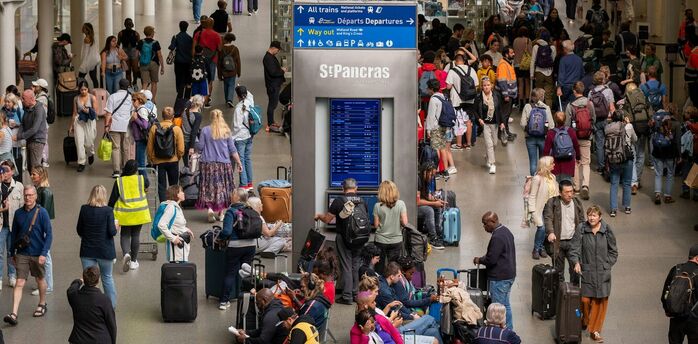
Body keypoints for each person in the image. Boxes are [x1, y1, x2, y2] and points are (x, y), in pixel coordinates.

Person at [3, 185, 52, 325]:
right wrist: (12, 253)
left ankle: (42, 304)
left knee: (40, 279)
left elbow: (49, 234)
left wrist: (44, 253)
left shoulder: (42, 213)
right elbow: (14, 235)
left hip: (38, 253)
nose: (28, 198)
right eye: (26, 195)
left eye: (30, 195)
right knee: (19, 282)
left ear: (35, 196)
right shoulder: (18, 213)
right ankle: (14, 314)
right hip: (22, 254)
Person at [570, 205, 618, 343]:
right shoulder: (582, 229)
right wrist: (576, 262)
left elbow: (614, 251)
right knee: (585, 300)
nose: (591, 218)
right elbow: (574, 249)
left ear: (600, 217)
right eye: (589, 215)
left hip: (603, 274)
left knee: (599, 303)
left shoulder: (607, 230)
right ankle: (584, 320)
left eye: (594, 215)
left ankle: (595, 331)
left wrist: (606, 265)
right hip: (587, 272)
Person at [315, 178, 366, 304]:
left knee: (346, 266)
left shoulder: (339, 201)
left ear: (343, 189)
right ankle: (355, 294)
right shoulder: (362, 201)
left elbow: (327, 219)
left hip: (344, 238)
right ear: (356, 188)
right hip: (360, 237)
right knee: (355, 266)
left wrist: (318, 216)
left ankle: (347, 296)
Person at [195, 109, 243, 222]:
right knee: (224, 188)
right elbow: (232, 150)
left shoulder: (205, 130)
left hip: (207, 164)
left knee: (209, 187)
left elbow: (200, 147)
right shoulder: (226, 131)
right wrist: (239, 163)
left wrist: (196, 143)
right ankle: (221, 213)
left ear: (211, 118)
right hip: (224, 164)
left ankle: (210, 209)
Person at [377, 263, 442, 343]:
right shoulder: (385, 291)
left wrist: (411, 314)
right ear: (392, 276)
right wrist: (412, 317)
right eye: (399, 276)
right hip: (398, 331)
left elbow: (399, 305)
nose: (400, 278)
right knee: (429, 319)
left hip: (397, 326)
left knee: (433, 331)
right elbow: (397, 311)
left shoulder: (386, 285)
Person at [76, 185, 118, 308]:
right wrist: (116, 227)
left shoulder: (84, 209)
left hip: (87, 251)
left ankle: (91, 306)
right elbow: (112, 232)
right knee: (107, 277)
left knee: (89, 281)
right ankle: (110, 306)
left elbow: (79, 230)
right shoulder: (108, 211)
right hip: (105, 251)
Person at [473, 211, 516, 330]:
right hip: (509, 275)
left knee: (497, 309)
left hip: (500, 278)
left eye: (485, 224)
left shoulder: (497, 237)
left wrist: (479, 260)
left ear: (493, 222)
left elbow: (491, 259)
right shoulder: (506, 231)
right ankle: (509, 330)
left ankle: (499, 334)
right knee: (505, 305)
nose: (484, 227)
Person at [108, 160, 151, 273]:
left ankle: (126, 254)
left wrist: (108, 210)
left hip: (125, 214)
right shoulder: (141, 179)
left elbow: (113, 199)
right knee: (136, 235)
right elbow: (147, 184)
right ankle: (133, 261)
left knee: (125, 235)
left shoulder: (119, 181)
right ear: (136, 170)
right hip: (139, 212)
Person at [219, 189, 257, 310]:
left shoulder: (231, 211)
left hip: (235, 246)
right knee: (246, 272)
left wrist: (220, 237)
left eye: (233, 194)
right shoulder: (251, 211)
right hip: (251, 245)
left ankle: (224, 301)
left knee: (230, 273)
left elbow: (227, 231)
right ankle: (249, 298)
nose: (231, 195)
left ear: (238, 198)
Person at [543, 179, 585, 283]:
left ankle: (574, 294)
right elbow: (548, 218)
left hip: (573, 242)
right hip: (558, 242)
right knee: (558, 272)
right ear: (560, 193)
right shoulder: (552, 202)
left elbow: (582, 220)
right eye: (567, 192)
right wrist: (550, 232)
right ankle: (560, 296)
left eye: (571, 191)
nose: (570, 194)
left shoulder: (577, 203)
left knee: (575, 270)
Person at [67, 266, 117, 344]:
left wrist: (79, 281)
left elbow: (71, 289)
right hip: (100, 340)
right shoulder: (104, 300)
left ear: (84, 279)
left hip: (78, 339)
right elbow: (112, 325)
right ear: (98, 280)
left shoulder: (74, 296)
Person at [661, 244, 698, 344]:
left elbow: (665, 292)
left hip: (676, 316)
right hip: (695, 320)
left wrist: (668, 309)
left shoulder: (676, 269)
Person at [147, 107, 185, 202]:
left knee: (161, 186)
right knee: (174, 185)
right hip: (173, 161)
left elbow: (149, 147)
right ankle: (174, 204)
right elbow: (181, 149)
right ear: (172, 117)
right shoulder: (177, 129)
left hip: (158, 162)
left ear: (162, 116)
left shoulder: (154, 128)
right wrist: (177, 157)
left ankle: (163, 204)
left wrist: (152, 159)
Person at [565, 82, 595, 199]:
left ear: (574, 91)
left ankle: (576, 187)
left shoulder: (570, 106)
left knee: (576, 163)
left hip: (574, 138)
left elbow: (567, 124)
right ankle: (585, 185)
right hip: (587, 137)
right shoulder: (589, 104)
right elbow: (593, 119)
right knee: (586, 163)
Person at [604, 110, 635, 216]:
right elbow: (635, 139)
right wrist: (628, 123)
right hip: (626, 157)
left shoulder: (608, 128)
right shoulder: (627, 126)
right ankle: (627, 207)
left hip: (613, 158)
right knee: (626, 182)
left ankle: (613, 209)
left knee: (614, 183)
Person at [28, 167, 54, 297]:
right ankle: (43, 282)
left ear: (41, 176)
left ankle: (47, 285)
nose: (32, 176)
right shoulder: (40, 190)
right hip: (39, 226)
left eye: (34, 174)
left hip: (42, 227)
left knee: (46, 256)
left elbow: (45, 213)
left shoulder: (45, 192)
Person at [373, 180, 407, 274]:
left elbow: (376, 225)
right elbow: (405, 222)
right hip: (396, 240)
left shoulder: (377, 206)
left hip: (380, 240)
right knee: (393, 268)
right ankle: (392, 286)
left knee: (379, 267)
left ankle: (379, 286)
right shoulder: (401, 204)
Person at [527, 156, 558, 260]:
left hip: (550, 207)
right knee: (542, 227)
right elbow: (532, 195)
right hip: (539, 208)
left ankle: (542, 247)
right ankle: (536, 248)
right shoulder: (537, 178)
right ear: (546, 165)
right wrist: (532, 211)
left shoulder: (553, 177)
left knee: (546, 229)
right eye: (552, 163)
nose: (554, 165)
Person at [445, 54, 477, 149]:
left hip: (457, 100)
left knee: (459, 121)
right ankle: (468, 144)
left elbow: (448, 86)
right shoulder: (471, 70)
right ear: (464, 60)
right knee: (468, 121)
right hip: (470, 99)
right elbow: (476, 85)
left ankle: (459, 144)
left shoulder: (452, 71)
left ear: (455, 61)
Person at [425, 79, 457, 174]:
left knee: (436, 149)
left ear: (431, 89)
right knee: (444, 148)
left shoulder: (433, 99)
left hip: (437, 127)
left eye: (428, 88)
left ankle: (437, 170)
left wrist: (428, 129)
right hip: (447, 126)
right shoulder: (444, 97)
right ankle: (446, 170)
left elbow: (431, 116)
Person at [474, 77, 504, 174]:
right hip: (485, 124)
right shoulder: (479, 97)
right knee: (489, 144)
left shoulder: (496, 96)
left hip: (495, 123)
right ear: (482, 87)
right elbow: (474, 110)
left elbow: (499, 110)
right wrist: (479, 119)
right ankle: (492, 164)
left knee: (495, 143)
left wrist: (502, 122)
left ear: (491, 86)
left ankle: (488, 156)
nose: (486, 87)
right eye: (484, 85)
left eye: (488, 85)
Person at [651, 110, 681, 205]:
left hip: (658, 151)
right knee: (670, 174)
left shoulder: (657, 123)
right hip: (670, 152)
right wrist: (679, 155)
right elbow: (677, 141)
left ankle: (657, 195)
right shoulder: (676, 124)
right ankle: (667, 196)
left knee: (658, 174)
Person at [104, 79, 133, 178]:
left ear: (119, 86)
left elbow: (108, 113)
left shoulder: (112, 97)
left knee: (115, 148)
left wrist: (106, 126)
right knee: (125, 148)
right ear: (128, 86)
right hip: (126, 126)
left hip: (114, 125)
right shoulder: (131, 98)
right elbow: (132, 112)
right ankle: (125, 169)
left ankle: (116, 171)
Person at [0, 161, 22, 289]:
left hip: (14, 226)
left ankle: (12, 275)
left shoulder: (19, 187)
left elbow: (23, 207)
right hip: (1, 226)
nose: (5, 173)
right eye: (2, 170)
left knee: (11, 252)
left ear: (13, 171)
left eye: (7, 170)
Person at [589, 71, 616, 175]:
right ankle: (610, 164)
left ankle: (601, 166)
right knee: (609, 142)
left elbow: (589, 108)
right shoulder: (608, 91)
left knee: (599, 143)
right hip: (607, 119)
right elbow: (612, 107)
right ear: (603, 79)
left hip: (596, 120)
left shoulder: (591, 92)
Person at [158, 185, 193, 262]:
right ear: (176, 194)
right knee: (178, 270)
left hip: (180, 248)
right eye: (181, 191)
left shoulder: (176, 207)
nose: (183, 193)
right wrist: (173, 239)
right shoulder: (171, 207)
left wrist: (185, 229)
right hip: (176, 249)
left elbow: (174, 223)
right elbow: (161, 225)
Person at [68, 81, 97, 172]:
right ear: (79, 90)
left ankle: (90, 153)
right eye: (81, 90)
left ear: (88, 89)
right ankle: (81, 162)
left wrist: (88, 111)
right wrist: (71, 125)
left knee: (89, 141)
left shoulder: (92, 98)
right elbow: (74, 113)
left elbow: (96, 112)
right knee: (79, 142)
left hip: (89, 121)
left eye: (85, 89)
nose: (83, 91)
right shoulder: (76, 99)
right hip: (79, 121)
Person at [192, 18, 222, 107]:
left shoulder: (199, 33)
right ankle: (206, 101)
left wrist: (193, 58)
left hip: (200, 59)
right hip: (212, 60)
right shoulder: (217, 35)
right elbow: (220, 48)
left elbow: (193, 47)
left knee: (198, 77)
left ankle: (197, 100)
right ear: (213, 24)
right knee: (210, 80)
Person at [544, 111, 580, 181]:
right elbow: (576, 145)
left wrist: (545, 162)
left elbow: (546, 150)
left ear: (555, 120)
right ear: (565, 120)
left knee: (556, 184)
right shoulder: (571, 131)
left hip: (555, 163)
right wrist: (578, 157)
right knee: (567, 182)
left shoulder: (551, 133)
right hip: (569, 162)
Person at [15, 90, 46, 170]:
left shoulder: (39, 110)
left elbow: (34, 129)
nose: (22, 100)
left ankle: (41, 182)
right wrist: (19, 134)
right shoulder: (26, 108)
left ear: (31, 99)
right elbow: (23, 123)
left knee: (35, 168)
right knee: (30, 167)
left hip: (37, 141)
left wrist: (20, 136)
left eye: (23, 98)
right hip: (29, 140)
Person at [417, 163, 445, 249]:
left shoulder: (425, 180)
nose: (432, 177)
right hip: (411, 207)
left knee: (437, 206)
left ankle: (436, 232)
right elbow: (417, 202)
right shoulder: (418, 180)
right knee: (429, 210)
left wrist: (437, 200)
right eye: (431, 175)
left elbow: (427, 195)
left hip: (418, 204)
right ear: (425, 172)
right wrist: (433, 203)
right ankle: (433, 239)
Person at [232, 86, 254, 190]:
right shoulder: (250, 102)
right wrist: (243, 88)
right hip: (249, 135)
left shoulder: (238, 108)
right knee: (248, 159)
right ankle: (249, 183)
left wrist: (231, 137)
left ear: (237, 96)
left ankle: (243, 184)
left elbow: (237, 126)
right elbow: (250, 95)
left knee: (240, 161)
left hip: (240, 138)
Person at [263, 41, 287, 131]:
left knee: (273, 104)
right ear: (273, 48)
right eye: (278, 50)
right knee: (272, 105)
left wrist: (279, 69)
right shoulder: (268, 58)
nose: (278, 52)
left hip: (274, 84)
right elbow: (273, 72)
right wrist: (282, 71)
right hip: (272, 85)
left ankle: (271, 122)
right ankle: (270, 124)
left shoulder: (271, 57)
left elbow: (273, 69)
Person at [136, 26, 164, 103]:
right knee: (154, 82)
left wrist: (139, 62)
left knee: (145, 83)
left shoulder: (141, 42)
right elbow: (159, 55)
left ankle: (142, 99)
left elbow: (136, 54)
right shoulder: (156, 43)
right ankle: (152, 99)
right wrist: (162, 67)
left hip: (143, 64)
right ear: (152, 33)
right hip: (154, 63)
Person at [530, 29, 556, 107]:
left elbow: (533, 61)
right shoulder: (552, 47)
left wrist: (531, 74)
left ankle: (538, 111)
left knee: (538, 94)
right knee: (548, 95)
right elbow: (553, 60)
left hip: (539, 72)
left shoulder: (536, 46)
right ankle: (548, 113)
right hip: (549, 73)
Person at [557, 40, 584, 111]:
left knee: (564, 106)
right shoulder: (579, 59)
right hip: (576, 86)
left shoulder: (563, 59)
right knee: (574, 105)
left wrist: (559, 87)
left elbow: (561, 75)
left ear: (565, 49)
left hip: (565, 87)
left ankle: (563, 120)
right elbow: (582, 74)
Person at [169, 21, 193, 99]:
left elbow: (172, 47)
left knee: (179, 77)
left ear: (179, 27)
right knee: (188, 77)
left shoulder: (176, 37)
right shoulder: (190, 38)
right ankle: (187, 94)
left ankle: (179, 93)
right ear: (187, 27)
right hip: (188, 61)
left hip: (178, 61)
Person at [220, 34, 242, 108]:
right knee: (231, 85)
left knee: (226, 85)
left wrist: (219, 74)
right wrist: (239, 71)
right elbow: (238, 61)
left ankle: (227, 100)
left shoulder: (222, 49)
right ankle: (230, 100)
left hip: (224, 71)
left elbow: (219, 62)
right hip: (233, 71)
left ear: (225, 39)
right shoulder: (235, 49)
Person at [513, 27, 532, 109]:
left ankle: (520, 103)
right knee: (527, 83)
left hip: (517, 64)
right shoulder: (528, 40)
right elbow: (530, 52)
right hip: (526, 64)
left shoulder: (515, 40)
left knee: (520, 83)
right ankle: (527, 102)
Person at [117, 19, 141, 87]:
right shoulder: (121, 33)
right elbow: (118, 44)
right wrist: (118, 53)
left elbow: (139, 45)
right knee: (128, 70)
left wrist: (138, 53)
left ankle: (135, 82)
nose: (128, 25)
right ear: (125, 24)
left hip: (134, 51)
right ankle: (129, 84)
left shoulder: (136, 33)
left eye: (130, 24)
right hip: (125, 51)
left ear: (132, 24)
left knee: (135, 69)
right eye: (127, 24)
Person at [182, 95, 203, 167]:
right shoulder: (198, 116)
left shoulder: (185, 111)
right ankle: (192, 176)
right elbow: (194, 132)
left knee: (186, 163)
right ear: (200, 104)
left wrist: (191, 99)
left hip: (183, 140)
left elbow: (186, 104)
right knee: (193, 164)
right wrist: (191, 147)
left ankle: (186, 175)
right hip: (192, 142)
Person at [78, 23, 100, 88]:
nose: (82, 29)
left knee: (80, 77)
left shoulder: (87, 39)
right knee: (94, 78)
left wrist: (84, 63)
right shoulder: (93, 37)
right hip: (93, 61)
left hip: (88, 61)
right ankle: (96, 91)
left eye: (84, 28)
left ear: (87, 30)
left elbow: (86, 52)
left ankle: (81, 91)